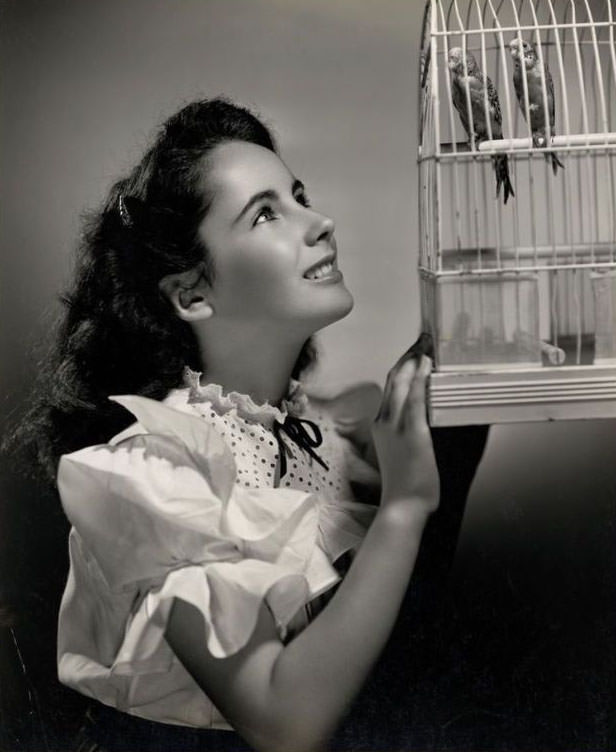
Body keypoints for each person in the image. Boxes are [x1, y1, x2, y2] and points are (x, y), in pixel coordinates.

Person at [9, 97, 487, 752]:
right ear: (193, 294)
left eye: (298, 196)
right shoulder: (165, 469)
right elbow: (283, 725)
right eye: (267, 213)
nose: (320, 223)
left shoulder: (318, 428)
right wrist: (404, 507)